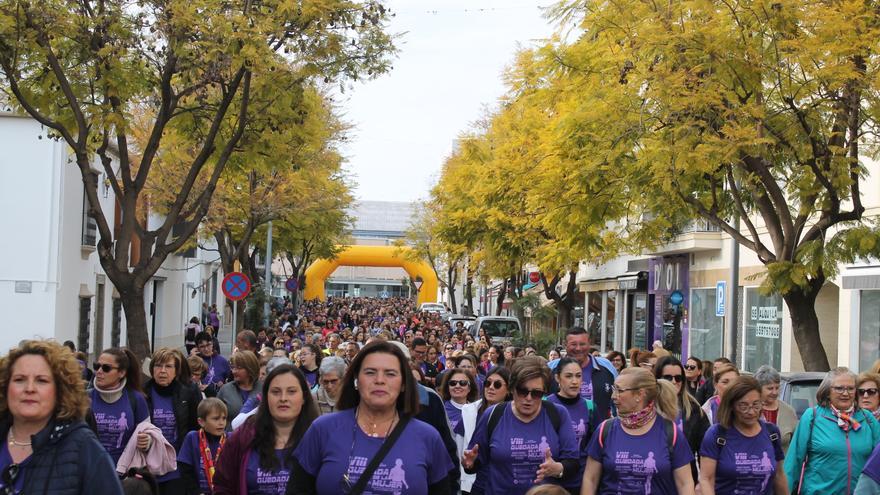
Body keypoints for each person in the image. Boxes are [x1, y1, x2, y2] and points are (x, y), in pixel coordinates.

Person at [288, 341, 454, 494]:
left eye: (390, 373)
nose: (379, 380)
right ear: (356, 380)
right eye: (370, 372)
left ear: (403, 383)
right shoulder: (322, 430)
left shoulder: (428, 437)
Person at [0, 340, 124, 493]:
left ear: (60, 390)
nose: (29, 388)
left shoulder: (84, 448)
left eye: (41, 380)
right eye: (19, 379)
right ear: (5, 387)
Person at [463, 356, 579, 495]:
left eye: (536, 393)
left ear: (544, 392)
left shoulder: (557, 414)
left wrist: (558, 469)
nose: (528, 398)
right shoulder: (493, 415)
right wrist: (469, 464)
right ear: (512, 389)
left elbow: (573, 462)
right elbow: (475, 462)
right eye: (522, 391)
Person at [581, 367, 695, 495]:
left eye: (619, 390)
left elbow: (685, 483)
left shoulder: (671, 432)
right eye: (614, 389)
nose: (613, 396)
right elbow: (590, 479)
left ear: (640, 394)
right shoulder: (604, 430)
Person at [213, 364, 318, 495]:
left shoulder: (319, 438)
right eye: (275, 392)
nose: (283, 398)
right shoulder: (242, 437)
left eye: (291, 391)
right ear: (266, 397)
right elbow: (223, 486)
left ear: (303, 397)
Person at [784, 367, 880, 494]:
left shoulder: (867, 419)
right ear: (827, 391)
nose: (845, 393)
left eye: (851, 388)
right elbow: (793, 463)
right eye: (839, 388)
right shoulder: (812, 417)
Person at [699, 376, 788, 495]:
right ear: (731, 406)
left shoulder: (772, 433)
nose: (751, 412)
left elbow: (779, 476)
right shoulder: (717, 434)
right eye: (743, 406)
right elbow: (706, 480)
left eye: (756, 405)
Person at [142, 347, 201, 493]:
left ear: (176, 371)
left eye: (168, 366)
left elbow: (196, 427)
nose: (162, 371)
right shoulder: (142, 393)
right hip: (148, 467)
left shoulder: (189, 392)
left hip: (177, 467)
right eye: (158, 366)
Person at [653, 355, 709, 485]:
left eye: (678, 378)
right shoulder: (646, 408)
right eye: (667, 377)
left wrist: (703, 484)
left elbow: (705, 451)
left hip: (685, 481)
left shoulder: (694, 410)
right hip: (654, 481)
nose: (673, 382)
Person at [89, 347, 150, 464]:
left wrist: (148, 441)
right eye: (97, 366)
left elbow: (149, 433)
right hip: (91, 473)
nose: (99, 371)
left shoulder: (136, 399)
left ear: (122, 373)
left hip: (124, 474)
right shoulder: (85, 398)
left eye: (106, 368)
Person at [546, 357, 596, 494]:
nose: (574, 381)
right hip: (550, 482)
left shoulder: (589, 406)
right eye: (568, 376)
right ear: (557, 378)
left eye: (578, 376)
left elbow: (593, 447)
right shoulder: (545, 404)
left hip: (579, 482)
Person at [464, 366, 511, 495]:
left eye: (497, 384)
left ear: (508, 390)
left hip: (502, 484)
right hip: (475, 483)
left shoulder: (513, 417)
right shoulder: (469, 411)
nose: (490, 387)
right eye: (487, 383)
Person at [558, 327, 616, 421]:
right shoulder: (552, 368)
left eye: (582, 344)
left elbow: (618, 400)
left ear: (589, 344)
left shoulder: (607, 367)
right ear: (565, 345)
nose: (578, 348)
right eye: (573, 344)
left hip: (598, 432)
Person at [177, 398, 228, 495]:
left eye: (224, 418)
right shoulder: (192, 438)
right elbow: (185, 471)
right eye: (216, 418)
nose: (221, 422)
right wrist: (196, 492)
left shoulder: (230, 439)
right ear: (201, 422)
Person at [754, 365, 798, 452]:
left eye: (777, 388)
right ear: (758, 388)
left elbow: (796, 445)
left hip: (782, 465)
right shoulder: (751, 410)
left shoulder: (788, 411)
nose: (775, 392)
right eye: (770, 388)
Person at [217, 351, 261, 426]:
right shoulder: (225, 390)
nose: (234, 371)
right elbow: (215, 415)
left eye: (239, 368)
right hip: (230, 436)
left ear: (250, 368)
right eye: (233, 367)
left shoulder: (263, 388)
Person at [195, 331, 231, 397]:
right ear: (197, 348)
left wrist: (224, 386)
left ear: (212, 344)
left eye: (208, 345)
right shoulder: (194, 361)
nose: (206, 349)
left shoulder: (223, 361)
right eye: (202, 346)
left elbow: (231, 383)